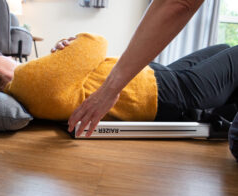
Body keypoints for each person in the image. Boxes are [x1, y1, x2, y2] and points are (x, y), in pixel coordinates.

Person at [0, 32, 238, 136]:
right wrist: (71, 44)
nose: (1, 53)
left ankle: (223, 114)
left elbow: (80, 63)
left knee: (221, 47)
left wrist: (68, 49)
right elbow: (96, 42)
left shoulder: (30, 83)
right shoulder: (31, 80)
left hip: (154, 78)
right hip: (167, 91)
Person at [67, 0, 206, 136]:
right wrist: (109, 90)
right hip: (159, 89)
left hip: (152, 75)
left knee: (223, 49)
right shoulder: (51, 91)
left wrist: (64, 47)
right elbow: (178, 4)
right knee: (226, 53)